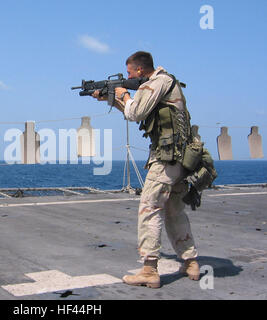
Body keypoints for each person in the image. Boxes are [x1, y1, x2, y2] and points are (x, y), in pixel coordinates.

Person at [93, 51, 200, 289]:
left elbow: (135, 112)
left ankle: (149, 270)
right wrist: (111, 99)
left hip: (166, 159)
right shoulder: (164, 82)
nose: (128, 76)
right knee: (174, 211)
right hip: (179, 159)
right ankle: (190, 261)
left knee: (149, 209)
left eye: (130, 73)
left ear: (140, 70)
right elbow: (136, 113)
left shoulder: (157, 83)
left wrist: (125, 95)